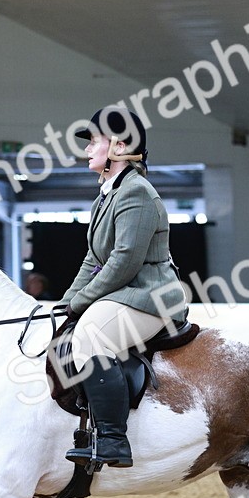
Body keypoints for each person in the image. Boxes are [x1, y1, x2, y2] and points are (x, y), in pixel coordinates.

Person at [59, 106, 188, 469]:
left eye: (93, 142)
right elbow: (93, 259)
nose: (87, 149)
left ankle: (113, 440)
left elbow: (124, 262)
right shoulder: (107, 195)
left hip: (150, 296)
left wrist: (81, 303)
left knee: (89, 336)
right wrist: (66, 301)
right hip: (126, 293)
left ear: (118, 146)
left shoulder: (137, 193)